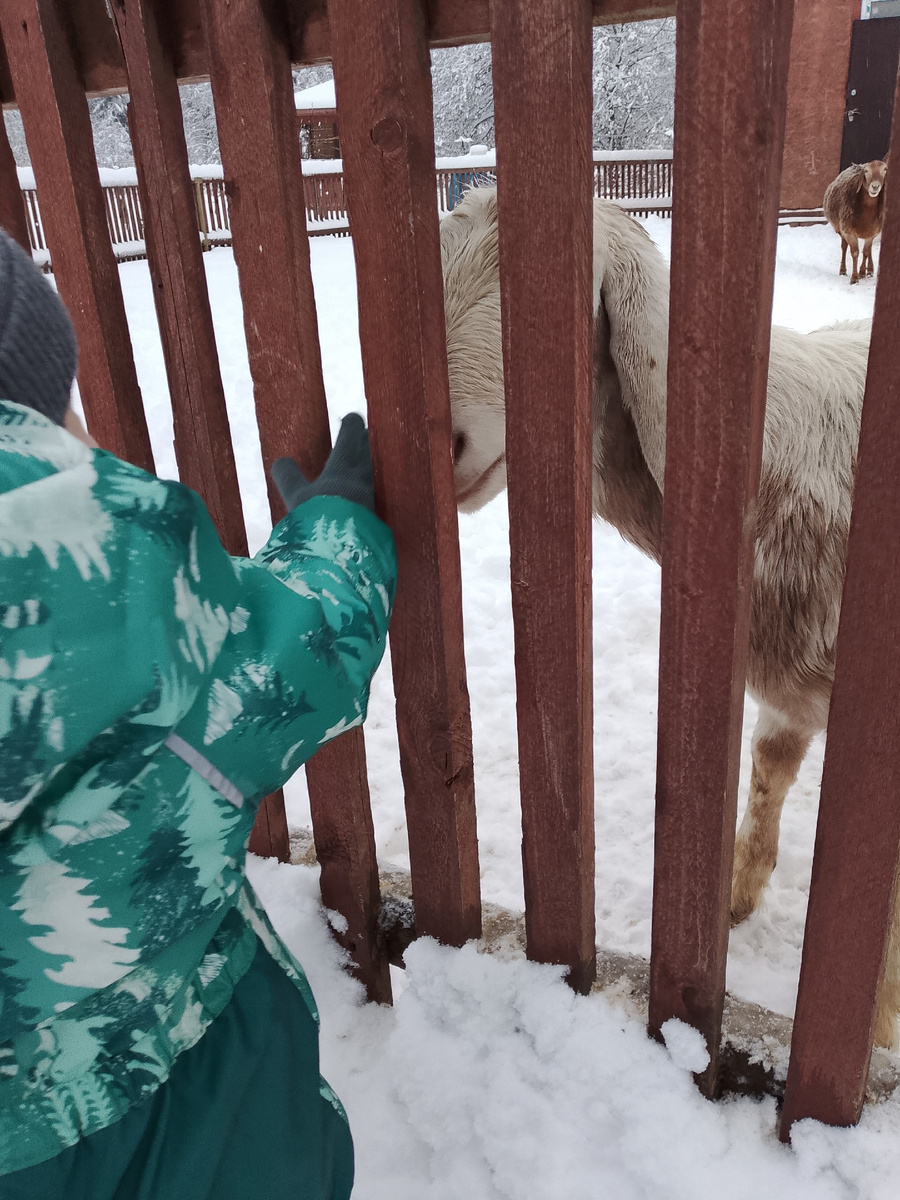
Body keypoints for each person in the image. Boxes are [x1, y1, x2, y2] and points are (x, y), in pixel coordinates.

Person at [0, 228, 396, 1197]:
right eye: (63, 408)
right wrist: (337, 535)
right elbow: (279, 670)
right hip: (182, 1108)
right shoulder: (101, 581)